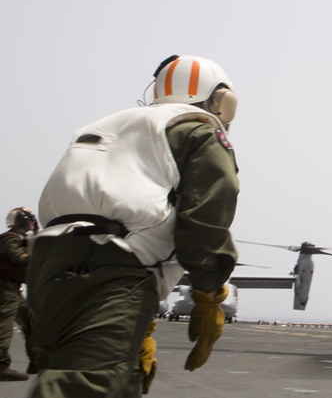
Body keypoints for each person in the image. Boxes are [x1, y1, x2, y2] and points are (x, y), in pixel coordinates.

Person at [27, 55, 241, 397]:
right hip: (114, 266)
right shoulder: (198, 128)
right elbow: (207, 218)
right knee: (85, 384)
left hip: (46, 265)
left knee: (114, 378)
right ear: (220, 98)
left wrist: (136, 318)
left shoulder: (110, 125)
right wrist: (208, 293)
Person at [0, 207, 38, 381]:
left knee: (30, 322)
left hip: (13, 289)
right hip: (5, 289)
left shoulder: (22, 239)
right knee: (4, 327)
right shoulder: (9, 239)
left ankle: (37, 362)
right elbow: (18, 257)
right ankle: (1, 367)